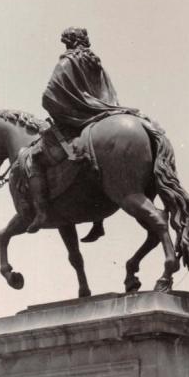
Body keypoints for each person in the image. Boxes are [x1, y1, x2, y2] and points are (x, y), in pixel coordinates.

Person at [26, 27, 124, 235]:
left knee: (34, 158)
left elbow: (49, 96)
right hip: (101, 117)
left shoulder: (67, 62)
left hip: (75, 122)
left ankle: (42, 212)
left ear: (69, 42)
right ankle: (99, 221)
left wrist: (64, 109)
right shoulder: (95, 64)